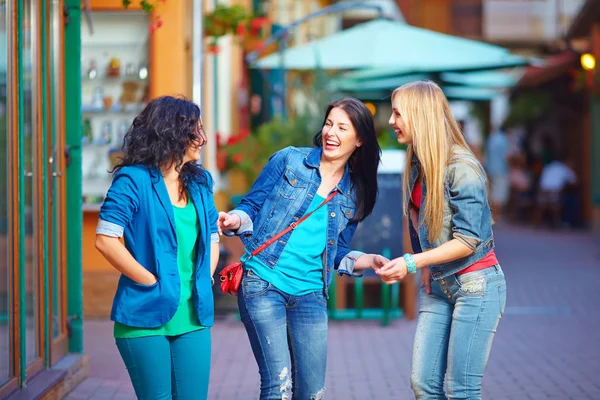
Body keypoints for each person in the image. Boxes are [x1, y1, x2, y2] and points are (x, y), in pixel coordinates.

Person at [218, 98, 388, 400]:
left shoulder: (355, 194)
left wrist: (370, 260)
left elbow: (336, 253)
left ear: (359, 139)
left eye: (341, 127)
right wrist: (234, 219)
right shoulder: (289, 161)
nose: (330, 133)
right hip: (263, 282)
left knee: (311, 393)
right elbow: (251, 206)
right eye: (328, 123)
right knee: (278, 387)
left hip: (311, 294)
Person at [376, 81, 507, 400]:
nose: (392, 121)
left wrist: (412, 263)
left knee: (460, 390)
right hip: (438, 286)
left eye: (397, 113)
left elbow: (468, 240)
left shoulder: (462, 167)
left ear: (420, 115)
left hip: (475, 285)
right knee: (424, 385)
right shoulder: (417, 164)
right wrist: (424, 270)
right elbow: (419, 221)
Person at [95, 96, 219, 400]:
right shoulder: (133, 180)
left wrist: (206, 276)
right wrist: (150, 281)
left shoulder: (200, 182)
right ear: (171, 133)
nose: (202, 139)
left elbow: (213, 236)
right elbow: (106, 239)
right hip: (144, 315)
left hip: (193, 315)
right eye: (195, 131)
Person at [485, 124, 511, 220]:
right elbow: (507, 156)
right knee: (499, 194)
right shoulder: (504, 140)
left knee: (492, 193)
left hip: (490, 169)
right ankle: (496, 217)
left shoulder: (491, 137)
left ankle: (490, 216)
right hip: (501, 170)